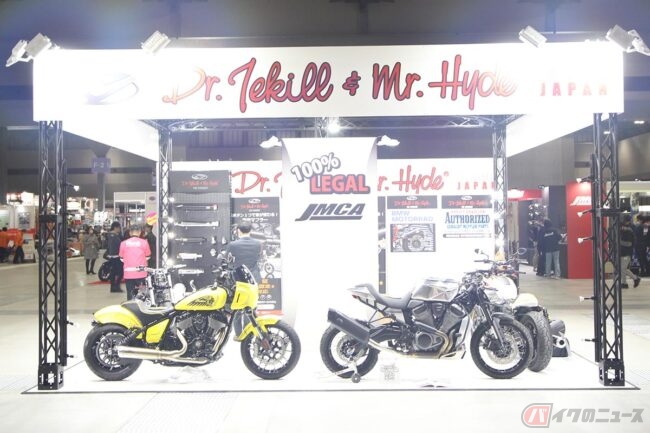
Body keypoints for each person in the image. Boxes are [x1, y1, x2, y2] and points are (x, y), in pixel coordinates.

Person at [119, 224, 151, 301]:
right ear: (139, 232)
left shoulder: (123, 243)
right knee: (142, 293)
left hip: (128, 273)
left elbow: (121, 258)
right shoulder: (144, 242)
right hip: (141, 272)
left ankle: (130, 305)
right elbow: (148, 256)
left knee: (130, 293)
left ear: (130, 233)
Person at [620, 214, 641, 289]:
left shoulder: (630, 231)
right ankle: (625, 283)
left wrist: (619, 242)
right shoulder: (623, 229)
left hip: (627, 252)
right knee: (622, 268)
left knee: (623, 268)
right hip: (622, 251)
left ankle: (634, 279)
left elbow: (629, 244)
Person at [106, 221, 124, 293]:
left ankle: (113, 287)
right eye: (119, 228)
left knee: (113, 272)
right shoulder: (113, 236)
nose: (119, 229)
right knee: (120, 272)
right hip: (116, 256)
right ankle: (116, 286)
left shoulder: (111, 235)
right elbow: (119, 245)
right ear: (115, 228)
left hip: (112, 256)